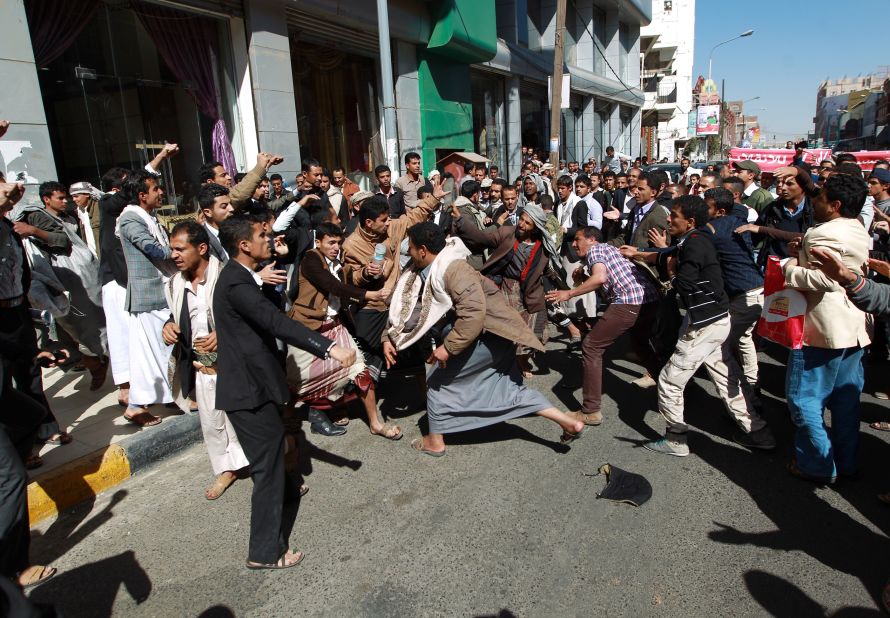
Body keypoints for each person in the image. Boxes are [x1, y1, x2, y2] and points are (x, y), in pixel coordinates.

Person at [214, 214, 356, 570]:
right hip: (248, 391)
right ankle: (265, 552)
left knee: (277, 449)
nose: (270, 239)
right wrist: (329, 348)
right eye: (263, 236)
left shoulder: (242, 277)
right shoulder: (237, 284)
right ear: (244, 246)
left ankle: (288, 494)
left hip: (257, 385)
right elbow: (276, 322)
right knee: (266, 469)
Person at [382, 223, 584, 455]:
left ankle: (435, 442)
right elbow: (404, 307)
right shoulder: (419, 270)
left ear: (423, 250)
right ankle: (568, 422)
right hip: (475, 336)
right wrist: (388, 335)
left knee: (437, 384)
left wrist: (447, 349)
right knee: (504, 386)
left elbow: (473, 315)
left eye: (411, 246)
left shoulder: (454, 269)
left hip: (487, 337)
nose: (408, 250)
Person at [644, 195, 774, 457]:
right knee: (726, 376)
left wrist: (670, 274)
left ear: (690, 221)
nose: (668, 219)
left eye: (674, 216)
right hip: (715, 319)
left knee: (669, 381)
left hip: (704, 324)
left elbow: (685, 284)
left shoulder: (694, 244)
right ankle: (758, 432)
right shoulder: (696, 239)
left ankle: (676, 439)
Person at [782, 173, 871, 483]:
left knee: (804, 399)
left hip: (821, 330)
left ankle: (816, 465)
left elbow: (825, 280)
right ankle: (845, 462)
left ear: (834, 205)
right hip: (852, 328)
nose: (814, 201)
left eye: (819, 198)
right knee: (846, 402)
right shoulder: (855, 226)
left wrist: (789, 267)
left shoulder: (825, 234)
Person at [162, 221, 249, 500]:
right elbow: (177, 316)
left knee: (246, 419)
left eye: (180, 249)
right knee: (212, 420)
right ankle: (227, 468)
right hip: (203, 365)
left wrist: (222, 333)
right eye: (171, 249)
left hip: (236, 363)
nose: (174, 255)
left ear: (201, 249)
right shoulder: (175, 283)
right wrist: (168, 326)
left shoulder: (226, 276)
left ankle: (270, 467)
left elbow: (250, 317)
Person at [288, 222, 400, 440]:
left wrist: (367, 273)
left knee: (360, 370)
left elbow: (350, 281)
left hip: (336, 326)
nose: (335, 246)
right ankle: (288, 424)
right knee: (298, 382)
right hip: (309, 328)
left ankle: (375, 423)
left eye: (338, 242)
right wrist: (368, 295)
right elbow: (334, 286)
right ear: (318, 242)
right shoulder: (311, 259)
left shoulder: (338, 263)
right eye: (331, 242)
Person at [545, 226, 661, 426]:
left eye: (578, 239)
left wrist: (568, 294)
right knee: (640, 344)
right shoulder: (609, 250)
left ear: (591, 239)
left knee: (591, 346)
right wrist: (583, 278)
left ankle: (590, 410)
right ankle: (668, 386)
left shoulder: (596, 250)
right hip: (649, 300)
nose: (574, 244)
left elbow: (600, 278)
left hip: (628, 301)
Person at [341, 181, 441, 385]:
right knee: (368, 351)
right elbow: (350, 277)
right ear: (369, 222)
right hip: (372, 305)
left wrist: (434, 198)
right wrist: (366, 273)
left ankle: (427, 396)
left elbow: (412, 218)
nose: (388, 223)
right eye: (384, 220)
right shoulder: (351, 245)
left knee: (416, 347)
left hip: (399, 300)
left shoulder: (391, 229)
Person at [15, 181, 108, 391]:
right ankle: (91, 362)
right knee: (64, 331)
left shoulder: (67, 217)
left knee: (77, 327)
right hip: (53, 285)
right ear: (46, 199)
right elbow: (59, 241)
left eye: (66, 197)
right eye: (60, 198)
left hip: (68, 283)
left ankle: (94, 361)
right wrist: (34, 230)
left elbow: (65, 242)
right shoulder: (37, 216)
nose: (65, 201)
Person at [451, 201, 559, 375]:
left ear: (536, 228)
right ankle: (505, 361)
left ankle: (522, 360)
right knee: (507, 326)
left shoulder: (542, 246)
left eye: (527, 223)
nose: (521, 225)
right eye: (521, 220)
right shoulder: (508, 233)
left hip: (531, 290)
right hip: (508, 287)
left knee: (534, 326)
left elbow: (548, 269)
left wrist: (561, 287)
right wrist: (461, 220)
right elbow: (482, 237)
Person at [117, 170, 178, 426]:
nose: (161, 192)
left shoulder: (148, 217)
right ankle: (137, 405)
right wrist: (180, 251)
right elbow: (152, 248)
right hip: (150, 293)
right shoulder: (131, 219)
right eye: (156, 189)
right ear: (142, 195)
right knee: (157, 350)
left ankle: (161, 398)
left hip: (160, 290)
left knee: (159, 351)